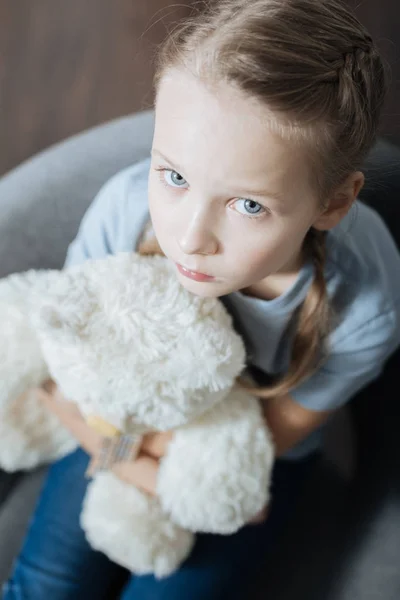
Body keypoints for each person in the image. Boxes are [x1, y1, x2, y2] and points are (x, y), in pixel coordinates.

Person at [3, 0, 400, 598]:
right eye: (175, 176)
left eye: (248, 206)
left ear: (334, 203)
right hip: (118, 414)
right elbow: (68, 376)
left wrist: (105, 444)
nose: (189, 237)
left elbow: (245, 459)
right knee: (46, 583)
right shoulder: (122, 211)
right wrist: (126, 455)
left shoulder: (364, 304)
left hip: (248, 462)